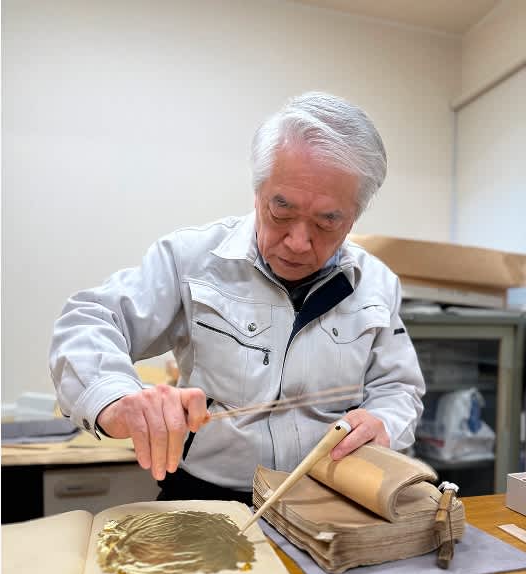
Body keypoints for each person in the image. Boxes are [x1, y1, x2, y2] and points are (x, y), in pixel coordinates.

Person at [49, 92, 425, 503]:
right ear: (258, 191)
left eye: (327, 221)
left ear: (354, 215)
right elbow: (90, 320)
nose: (299, 242)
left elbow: (398, 387)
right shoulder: (191, 259)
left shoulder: (377, 284)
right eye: (280, 211)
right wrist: (117, 400)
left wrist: (385, 421)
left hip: (330, 502)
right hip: (206, 499)